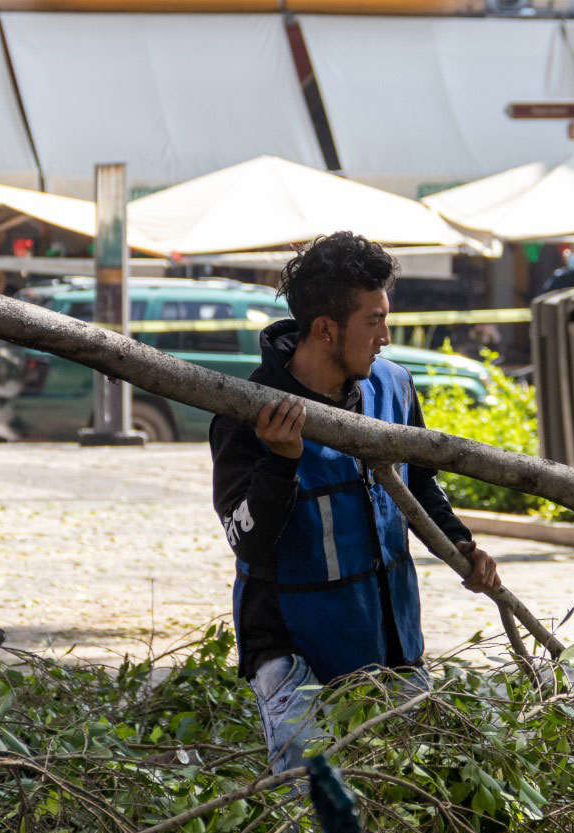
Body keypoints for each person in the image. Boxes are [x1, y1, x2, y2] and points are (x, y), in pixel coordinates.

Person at [209, 231, 500, 777]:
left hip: (394, 652)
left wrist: (462, 547)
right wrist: (280, 461)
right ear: (325, 329)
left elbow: (421, 487)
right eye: (374, 321)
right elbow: (244, 539)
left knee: (406, 811)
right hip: (297, 665)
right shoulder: (246, 416)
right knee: (322, 824)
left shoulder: (394, 387)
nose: (386, 336)